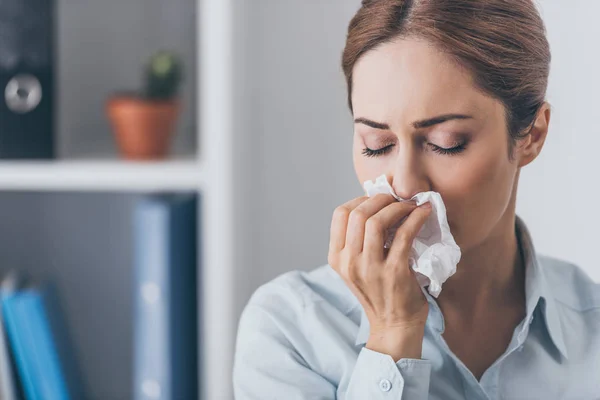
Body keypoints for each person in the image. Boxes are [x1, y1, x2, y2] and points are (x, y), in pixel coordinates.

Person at [233, 1, 600, 398]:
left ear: (531, 135)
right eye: (377, 145)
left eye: (446, 143)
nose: (405, 185)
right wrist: (393, 335)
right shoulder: (290, 331)